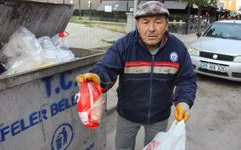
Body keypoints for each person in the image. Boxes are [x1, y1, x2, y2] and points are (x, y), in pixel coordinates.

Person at [76, 1, 197, 149]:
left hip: (158, 116)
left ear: (166, 24)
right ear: (138, 25)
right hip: (127, 114)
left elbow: (187, 79)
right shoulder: (124, 45)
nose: (151, 29)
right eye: (145, 22)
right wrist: (97, 78)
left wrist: (184, 102)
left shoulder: (177, 48)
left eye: (158, 22)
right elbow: (107, 67)